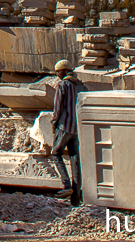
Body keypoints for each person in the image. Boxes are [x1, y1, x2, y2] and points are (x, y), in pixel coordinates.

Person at [51, 59, 83, 205]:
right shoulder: (82, 87)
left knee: (56, 154)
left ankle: (67, 185)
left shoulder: (62, 85)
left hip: (64, 127)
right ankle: (76, 199)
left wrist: (54, 123)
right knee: (75, 161)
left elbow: (58, 108)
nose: (57, 74)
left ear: (64, 71)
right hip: (77, 130)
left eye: (58, 71)